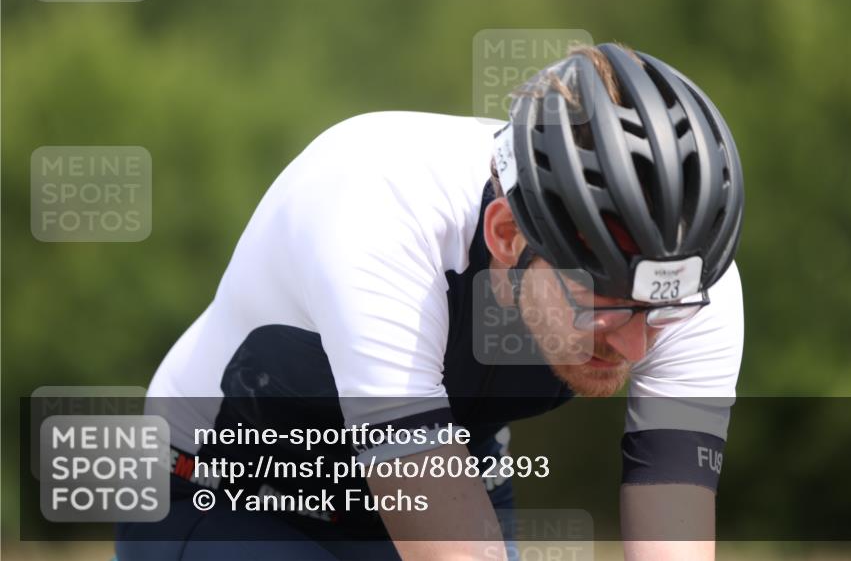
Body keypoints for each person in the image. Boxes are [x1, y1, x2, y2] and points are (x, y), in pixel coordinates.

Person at [116, 42, 745, 561]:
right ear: (507, 236)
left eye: (662, 313)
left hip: (453, 473)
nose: (634, 343)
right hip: (229, 493)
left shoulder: (694, 275)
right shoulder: (377, 207)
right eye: (603, 302)